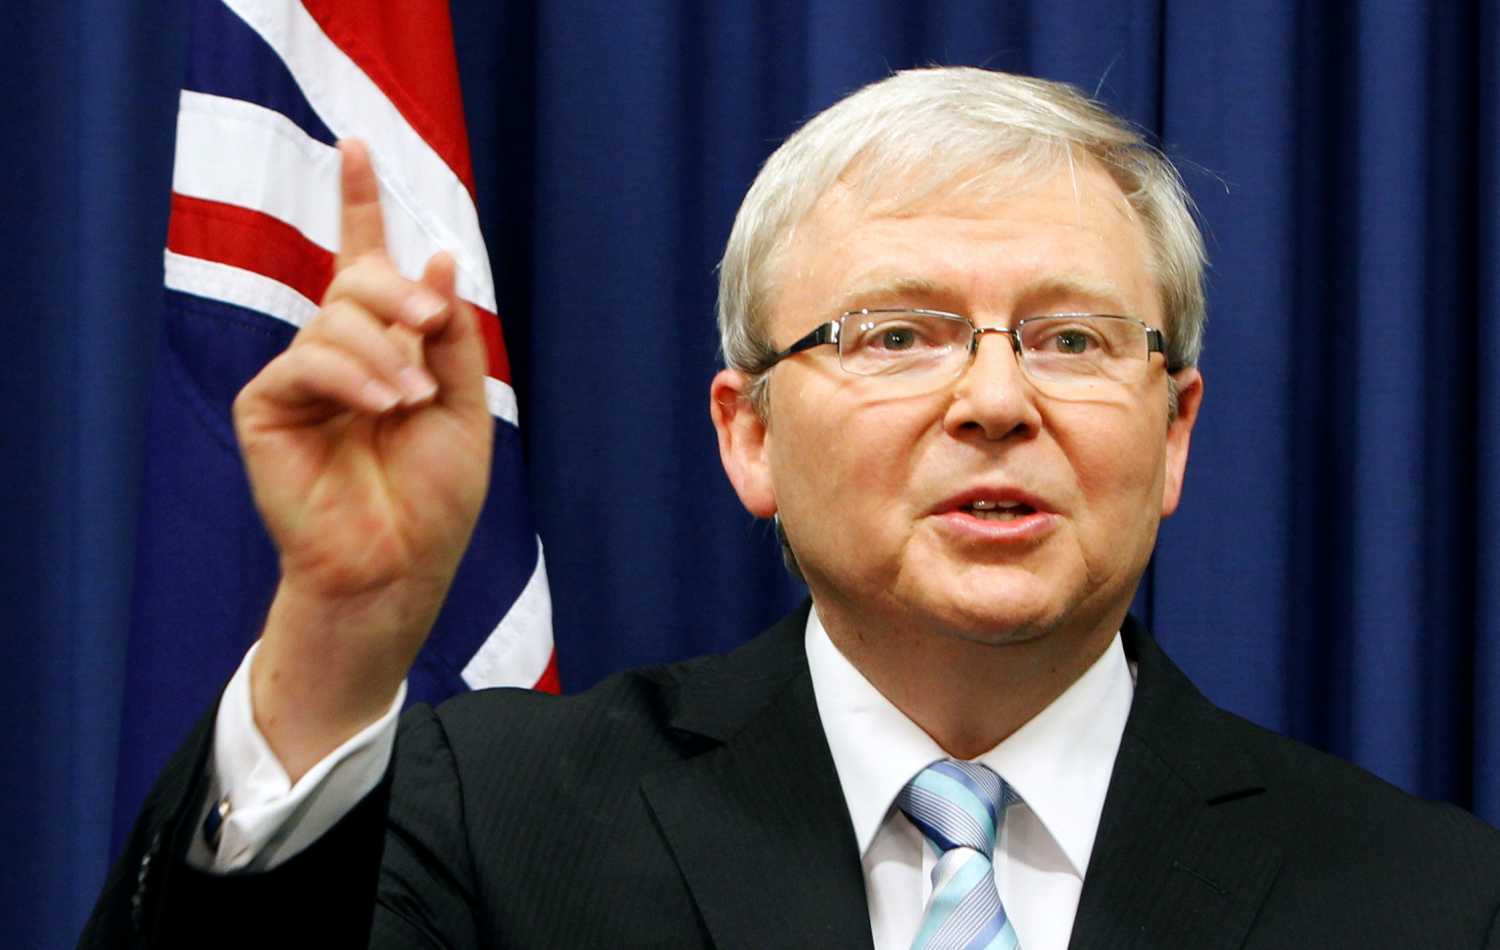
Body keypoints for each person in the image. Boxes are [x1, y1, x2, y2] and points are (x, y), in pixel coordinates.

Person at [84, 67, 1499, 948]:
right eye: (897, 335)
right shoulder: (496, 821)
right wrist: (341, 631)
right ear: (747, 433)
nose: (996, 401)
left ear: (1176, 432)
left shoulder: (1423, 896)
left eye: (1070, 339)